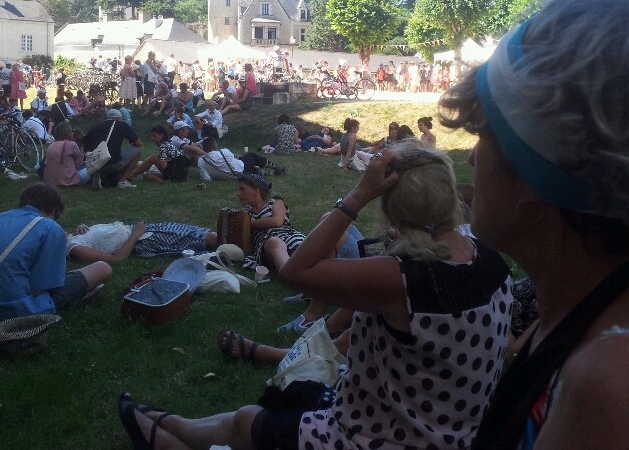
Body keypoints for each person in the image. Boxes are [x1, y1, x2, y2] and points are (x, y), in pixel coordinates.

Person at [437, 0, 629, 449]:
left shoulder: (627, 385)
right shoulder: (627, 304)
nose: (471, 157)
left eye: (485, 134)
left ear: (536, 173)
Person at [121, 141, 514, 448]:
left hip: (379, 438)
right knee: (278, 405)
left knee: (249, 420)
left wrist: (357, 196)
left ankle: (169, 430)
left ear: (393, 209)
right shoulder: (491, 262)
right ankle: (171, 426)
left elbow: (298, 270)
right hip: (452, 433)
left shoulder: (403, 280)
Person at [0, 183, 111, 325]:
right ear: (53, 210)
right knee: (103, 268)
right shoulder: (50, 228)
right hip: (16, 309)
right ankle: (75, 297)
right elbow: (40, 288)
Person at [237, 173, 304, 269]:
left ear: (256, 190)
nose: (238, 193)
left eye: (242, 189)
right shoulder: (245, 214)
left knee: (305, 243)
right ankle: (289, 273)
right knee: (275, 243)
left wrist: (248, 224)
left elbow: (277, 221)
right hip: (267, 246)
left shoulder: (275, 202)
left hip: (290, 237)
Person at [66, 220, 217, 263]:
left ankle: (236, 239)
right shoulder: (75, 248)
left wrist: (83, 227)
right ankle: (237, 244)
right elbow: (117, 259)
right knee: (205, 239)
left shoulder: (74, 236)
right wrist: (136, 233)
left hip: (143, 229)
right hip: (143, 240)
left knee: (203, 233)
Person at [83, 108, 142, 190]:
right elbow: (138, 143)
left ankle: (99, 174)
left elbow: (86, 148)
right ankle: (123, 181)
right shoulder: (121, 125)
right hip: (111, 161)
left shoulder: (94, 127)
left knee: (115, 152)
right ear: (118, 118)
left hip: (95, 164)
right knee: (137, 150)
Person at [197, 138, 283, 181]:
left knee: (248, 165)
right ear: (215, 146)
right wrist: (238, 157)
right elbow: (235, 157)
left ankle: (272, 174)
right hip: (241, 170)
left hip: (233, 176)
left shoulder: (201, 161)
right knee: (250, 155)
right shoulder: (224, 152)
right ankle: (275, 166)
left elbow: (207, 178)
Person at [42, 122, 89, 187]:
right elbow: (79, 164)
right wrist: (81, 147)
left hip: (50, 180)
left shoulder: (51, 145)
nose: (73, 133)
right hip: (67, 181)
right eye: (71, 131)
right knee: (91, 168)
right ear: (67, 133)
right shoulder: (71, 144)